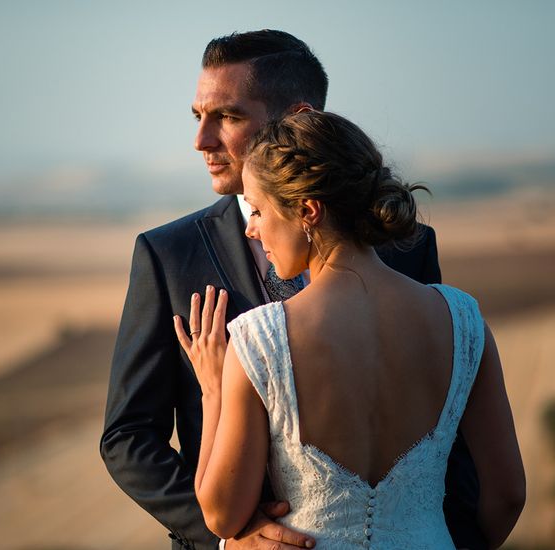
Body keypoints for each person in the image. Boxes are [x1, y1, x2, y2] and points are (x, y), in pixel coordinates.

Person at [101, 30, 484, 550]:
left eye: (228, 117)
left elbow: (453, 431)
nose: (202, 140)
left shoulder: (407, 248)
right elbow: (127, 437)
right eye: (198, 116)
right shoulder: (168, 255)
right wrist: (229, 536)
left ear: (298, 118)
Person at [177, 111, 525, 549]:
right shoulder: (463, 321)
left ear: (308, 211)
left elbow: (222, 515)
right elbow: (509, 494)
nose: (251, 227)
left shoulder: (260, 338)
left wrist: (214, 393)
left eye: (260, 210)